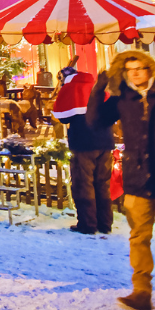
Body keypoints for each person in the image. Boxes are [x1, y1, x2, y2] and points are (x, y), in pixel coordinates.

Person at [89, 50, 155, 310]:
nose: (135, 72)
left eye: (140, 67)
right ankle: (142, 291)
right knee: (138, 238)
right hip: (137, 180)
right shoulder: (123, 99)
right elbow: (95, 121)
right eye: (130, 68)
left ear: (151, 69)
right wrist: (99, 88)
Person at [53, 64, 114, 235]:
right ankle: (105, 223)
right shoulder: (97, 86)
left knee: (83, 183)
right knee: (102, 183)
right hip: (105, 141)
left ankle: (88, 224)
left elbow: (61, 117)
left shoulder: (70, 88)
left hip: (83, 143)